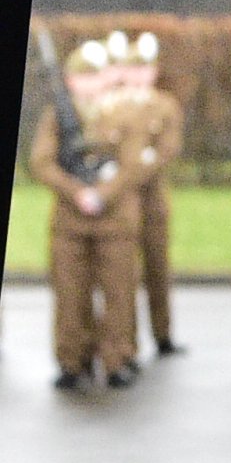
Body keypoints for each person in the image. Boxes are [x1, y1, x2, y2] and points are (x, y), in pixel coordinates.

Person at [28, 37, 148, 391]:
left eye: (95, 76)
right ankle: (72, 360)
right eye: (81, 77)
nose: (89, 83)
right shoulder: (59, 114)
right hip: (70, 221)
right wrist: (77, 191)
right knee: (70, 295)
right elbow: (41, 161)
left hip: (115, 221)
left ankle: (117, 359)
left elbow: (133, 165)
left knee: (118, 293)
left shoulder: (126, 113)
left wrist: (102, 194)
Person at [110, 30, 187, 359]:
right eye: (132, 68)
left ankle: (163, 333)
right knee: (121, 275)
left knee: (157, 269)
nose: (138, 75)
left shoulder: (165, 106)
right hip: (118, 202)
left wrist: (131, 172)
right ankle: (124, 342)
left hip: (152, 200)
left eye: (144, 68)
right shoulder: (110, 105)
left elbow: (167, 150)